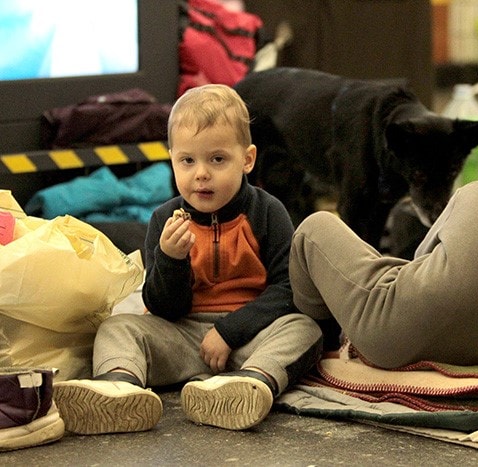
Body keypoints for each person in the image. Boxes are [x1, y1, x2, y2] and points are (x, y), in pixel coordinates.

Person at [53, 84, 323, 434]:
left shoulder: (267, 212)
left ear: (247, 159)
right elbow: (161, 306)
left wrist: (230, 331)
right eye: (187, 160)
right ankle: (119, 390)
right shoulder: (163, 220)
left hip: (247, 339)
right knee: (117, 326)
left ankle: (250, 384)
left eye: (217, 159)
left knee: (305, 329)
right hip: (181, 338)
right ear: (172, 160)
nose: (201, 174)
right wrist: (170, 259)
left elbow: (289, 289)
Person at [289, 127, 478, 369]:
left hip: (387, 338)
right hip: (472, 360)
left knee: (315, 228)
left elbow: (420, 258)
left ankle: (320, 339)